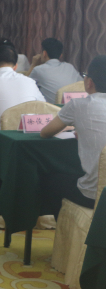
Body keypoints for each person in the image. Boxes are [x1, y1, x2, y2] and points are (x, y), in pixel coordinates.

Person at [40, 55, 106, 215]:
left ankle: (61, 224)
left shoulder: (78, 105)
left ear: (89, 82)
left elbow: (45, 133)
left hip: (93, 196)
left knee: (50, 179)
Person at [28, 38, 83, 103]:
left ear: (44, 53)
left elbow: (25, 86)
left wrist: (33, 64)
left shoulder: (38, 70)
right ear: (60, 55)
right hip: (71, 106)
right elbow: (82, 84)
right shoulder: (70, 67)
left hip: (51, 108)